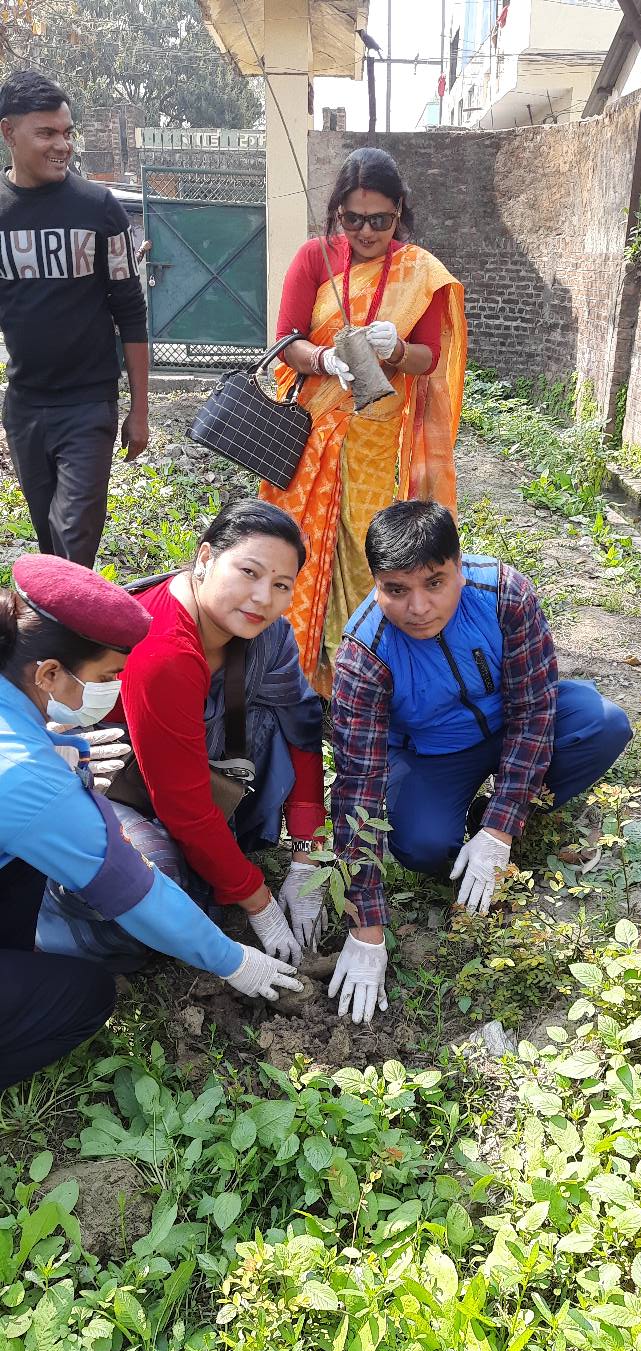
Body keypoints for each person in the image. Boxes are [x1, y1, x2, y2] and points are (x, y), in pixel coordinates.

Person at [0, 554, 301, 1091]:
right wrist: (233, 960)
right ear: (48, 672)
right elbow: (133, 889)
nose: (114, 688)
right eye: (108, 676)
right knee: (85, 996)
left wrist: (53, 746)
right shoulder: (31, 780)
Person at [328, 499, 633, 1025]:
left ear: (460, 567)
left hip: (512, 722)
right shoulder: (364, 653)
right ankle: (466, 827)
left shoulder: (504, 595)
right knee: (423, 845)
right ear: (375, 583)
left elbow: (536, 709)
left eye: (434, 583)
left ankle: (495, 821)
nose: (418, 607)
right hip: (431, 753)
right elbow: (356, 786)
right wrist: (367, 929)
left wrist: (502, 825)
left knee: (602, 725)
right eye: (396, 590)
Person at [39, 502, 328, 972]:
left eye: (281, 585)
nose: (262, 598)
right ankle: (51, 912)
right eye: (249, 572)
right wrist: (257, 899)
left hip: (190, 762)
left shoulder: (269, 635)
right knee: (151, 885)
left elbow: (303, 725)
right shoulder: (165, 651)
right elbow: (182, 803)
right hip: (112, 776)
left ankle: (222, 857)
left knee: (281, 719)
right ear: (206, 557)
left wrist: (306, 853)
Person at [260, 147, 467, 693]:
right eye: (353, 219)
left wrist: (396, 349)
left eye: (380, 220)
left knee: (366, 545)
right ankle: (294, 670)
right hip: (310, 433)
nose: (366, 231)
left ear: (399, 211)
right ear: (337, 213)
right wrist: (323, 359)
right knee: (299, 542)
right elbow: (286, 342)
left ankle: (363, 669)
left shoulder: (418, 272)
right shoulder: (314, 258)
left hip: (379, 434)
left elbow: (430, 358)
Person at [0, 70, 149, 568]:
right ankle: (59, 640)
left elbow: (130, 311)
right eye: (46, 133)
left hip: (89, 403)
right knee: (49, 541)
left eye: (67, 132)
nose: (62, 145)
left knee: (74, 540)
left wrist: (140, 410)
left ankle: (70, 640)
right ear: (8, 132)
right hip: (25, 406)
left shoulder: (99, 208)